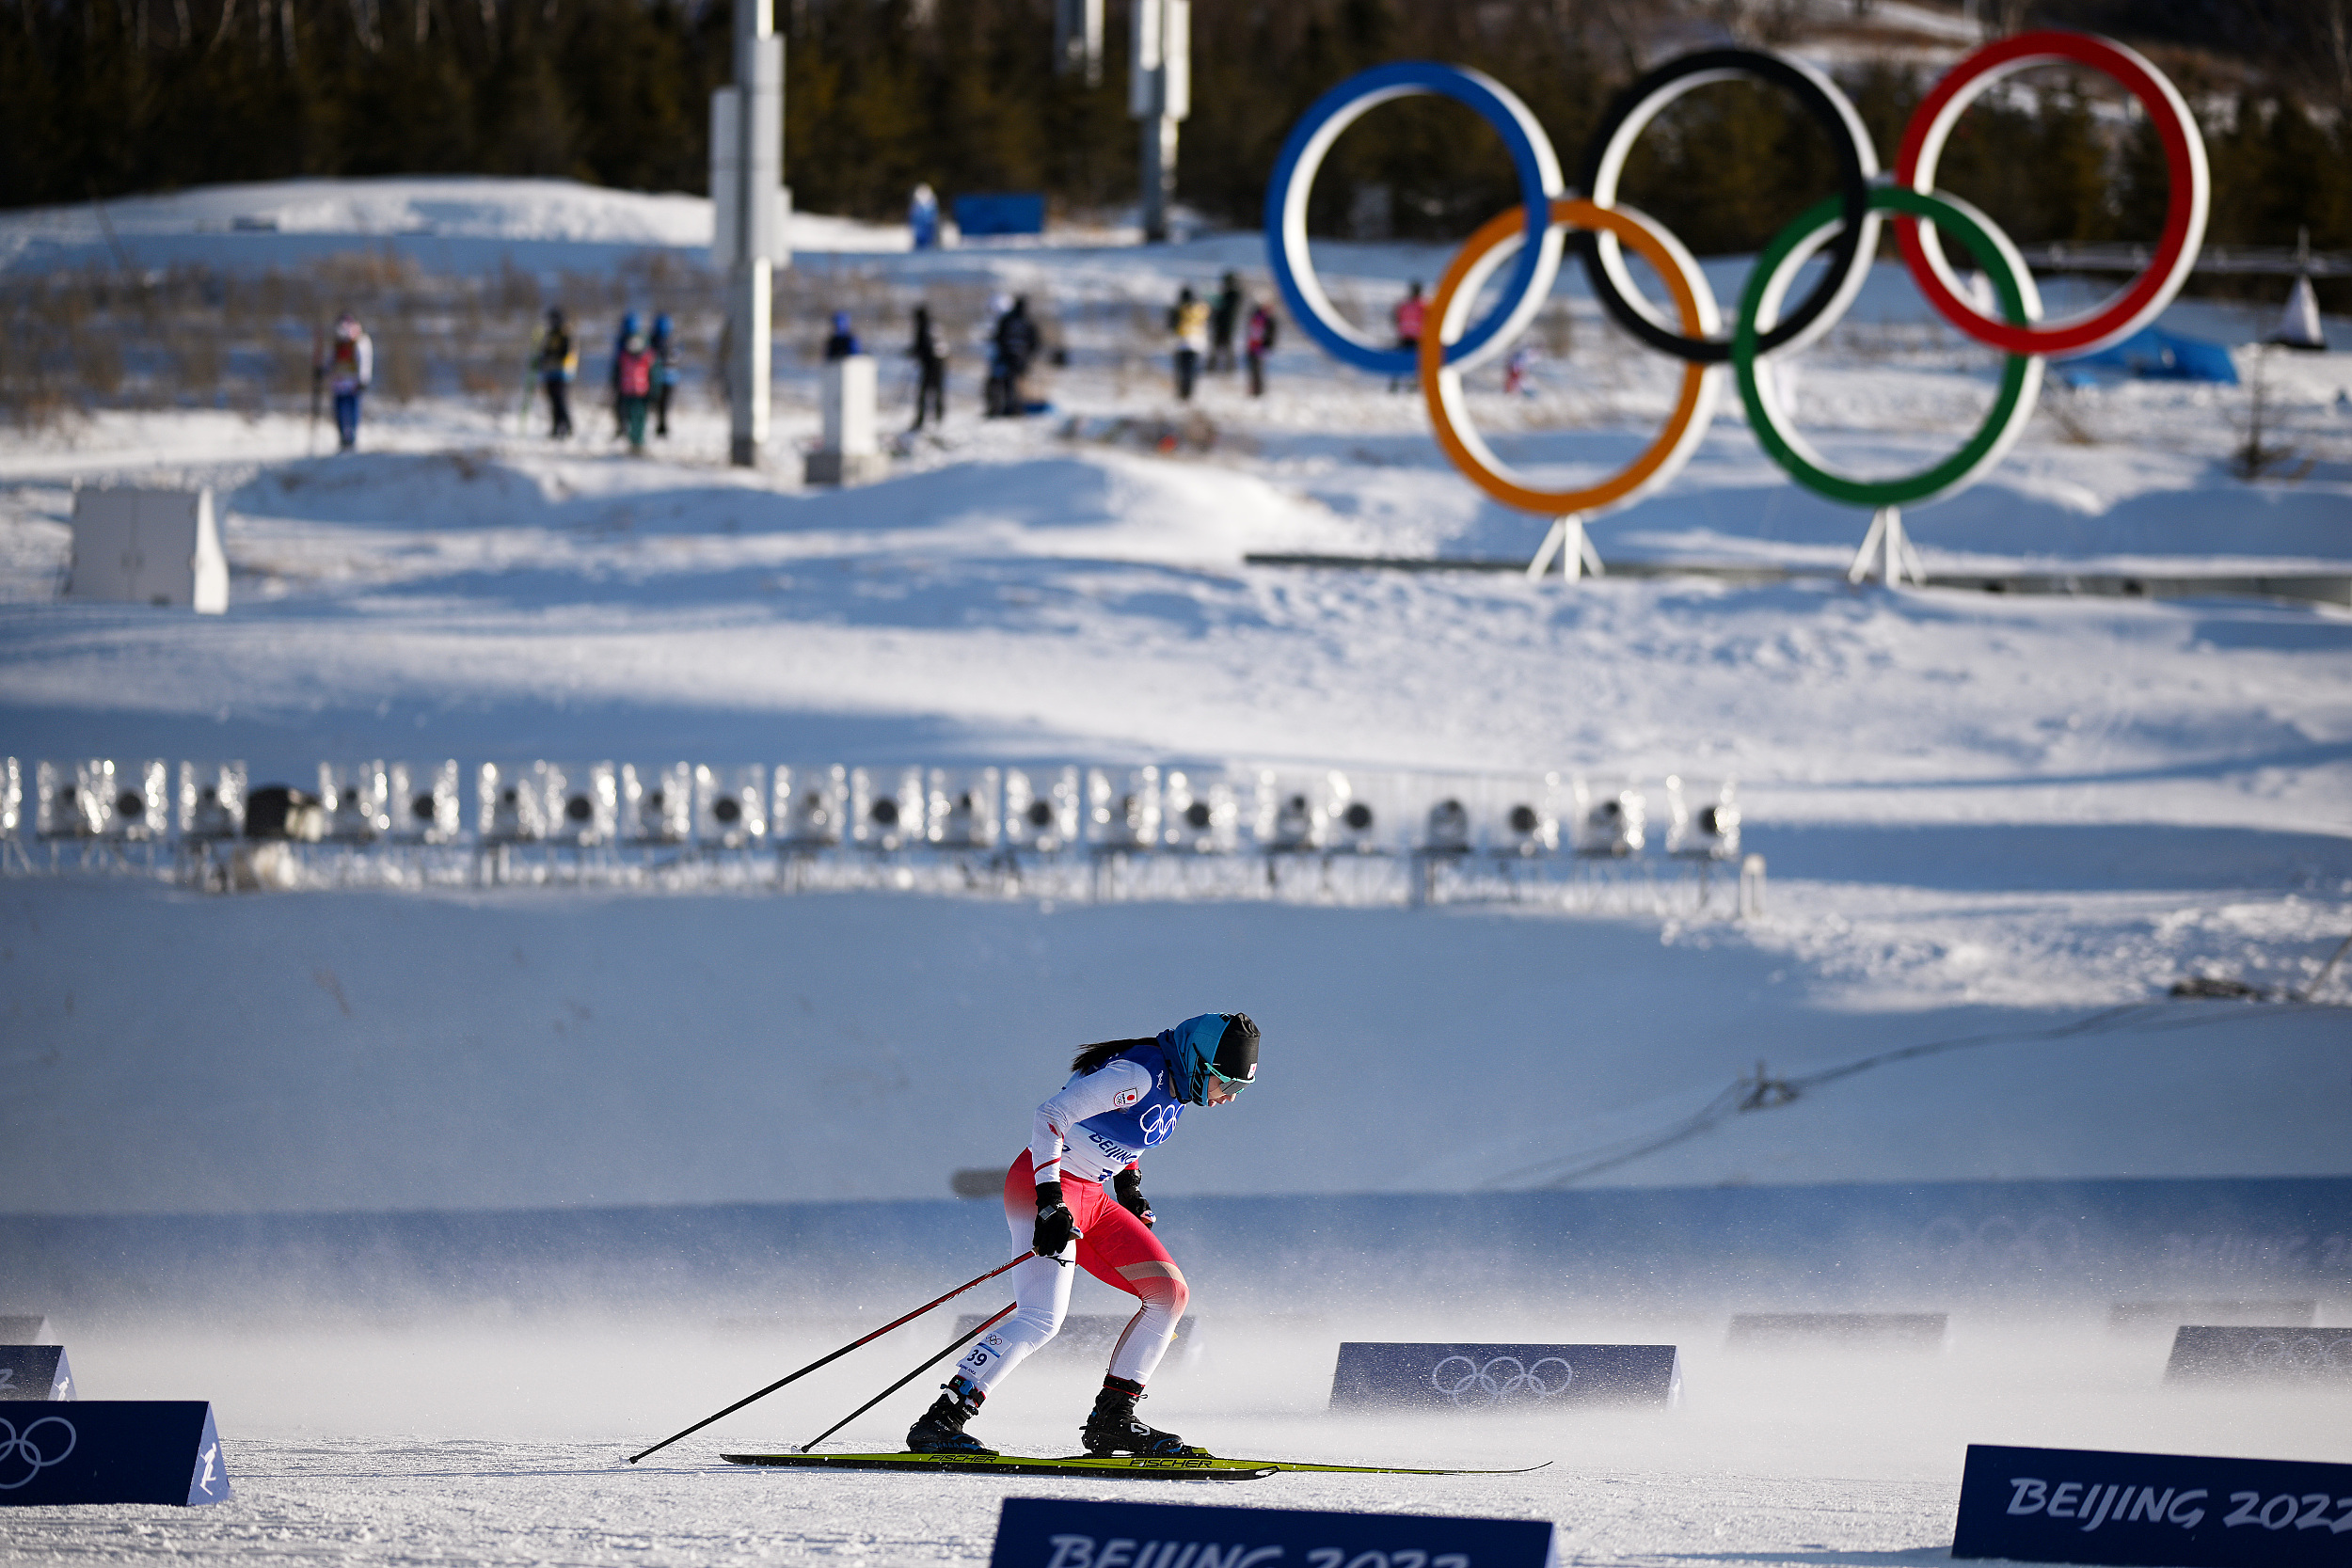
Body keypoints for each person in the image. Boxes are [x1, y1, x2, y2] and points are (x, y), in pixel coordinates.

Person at [907, 1012, 1262, 1459]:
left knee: (1168, 1294)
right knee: (1040, 1318)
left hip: (1090, 1195)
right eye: (1225, 1082)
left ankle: (1114, 1421)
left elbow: (1124, 1137)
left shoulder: (1174, 1086)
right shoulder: (1136, 1073)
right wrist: (1050, 1200)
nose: (1229, 1097)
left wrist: (1128, 1187)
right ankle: (941, 1420)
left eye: (1240, 1090)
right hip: (1045, 1187)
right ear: (1196, 1060)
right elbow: (1051, 1117)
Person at [325, 312, 373, 451]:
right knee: (339, 412)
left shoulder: (360, 341)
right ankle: (342, 439)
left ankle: (351, 439)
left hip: (352, 385)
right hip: (338, 384)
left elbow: (365, 360)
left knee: (352, 412)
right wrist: (323, 370)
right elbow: (331, 360)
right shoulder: (337, 343)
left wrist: (363, 380)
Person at [991, 296, 1040, 416]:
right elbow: (1036, 342)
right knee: (1018, 385)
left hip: (1008, 358)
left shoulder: (1007, 320)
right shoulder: (1028, 322)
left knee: (1007, 384)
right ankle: (1015, 408)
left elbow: (997, 337)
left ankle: (1009, 408)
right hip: (1020, 359)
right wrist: (1028, 355)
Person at [534, 309, 577, 438]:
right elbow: (546, 352)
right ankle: (556, 427)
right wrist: (540, 361)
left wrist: (549, 357)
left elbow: (564, 352)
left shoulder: (566, 333)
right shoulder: (550, 334)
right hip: (550, 372)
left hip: (563, 372)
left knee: (560, 401)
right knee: (553, 401)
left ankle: (567, 426)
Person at [614, 325, 655, 455]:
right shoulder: (624, 357)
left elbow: (654, 375)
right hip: (627, 392)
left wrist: (654, 390)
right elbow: (617, 374)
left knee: (640, 418)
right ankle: (632, 442)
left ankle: (639, 442)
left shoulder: (647, 357)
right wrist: (616, 386)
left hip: (642, 393)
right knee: (629, 417)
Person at [909, 304, 947, 431]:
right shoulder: (934, 326)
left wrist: (913, 353)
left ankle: (920, 421)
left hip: (930, 365)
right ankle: (939, 417)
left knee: (923, 393)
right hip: (940, 364)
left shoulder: (923, 326)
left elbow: (922, 347)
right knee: (937, 391)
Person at [1168, 285, 1209, 402]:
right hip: (1198, 343)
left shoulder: (1179, 309)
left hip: (1182, 343)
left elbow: (1171, 325)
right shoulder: (1201, 309)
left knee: (1182, 370)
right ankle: (1190, 394)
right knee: (1192, 370)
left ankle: (1182, 393)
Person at [610, 311, 642, 437]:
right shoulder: (622, 339)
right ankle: (623, 428)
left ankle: (629, 430)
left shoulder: (635, 340)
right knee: (619, 405)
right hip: (624, 377)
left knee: (628, 406)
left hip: (631, 380)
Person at [1390, 281, 1425, 392]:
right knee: (1418, 363)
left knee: (1399, 361)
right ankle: (1413, 386)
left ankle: (1394, 385)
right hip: (1418, 338)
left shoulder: (1404, 304)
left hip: (1404, 336)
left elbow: (1395, 318)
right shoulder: (1423, 305)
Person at [649, 313, 680, 437]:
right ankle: (661, 427)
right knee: (662, 404)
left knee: (662, 405)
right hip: (667, 378)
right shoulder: (672, 339)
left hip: (663, 378)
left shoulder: (665, 340)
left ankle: (662, 427)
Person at [1208, 270, 1243, 374]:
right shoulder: (1226, 294)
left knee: (1227, 348)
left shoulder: (1234, 294)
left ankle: (1229, 368)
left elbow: (1225, 307)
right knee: (1216, 347)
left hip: (1228, 325)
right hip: (1220, 325)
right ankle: (1212, 367)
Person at [1244, 301, 1278, 398]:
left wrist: (1267, 347)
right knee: (1253, 370)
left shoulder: (1270, 319)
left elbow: (1271, 335)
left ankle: (1259, 391)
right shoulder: (1256, 316)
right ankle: (1254, 389)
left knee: (1258, 370)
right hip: (1252, 346)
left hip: (1261, 347)